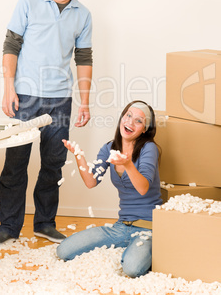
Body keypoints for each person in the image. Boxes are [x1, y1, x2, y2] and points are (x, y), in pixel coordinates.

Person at [0, 0, 93, 249]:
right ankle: (8, 227)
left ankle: (45, 224)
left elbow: (83, 58)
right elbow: (11, 45)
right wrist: (9, 88)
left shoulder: (83, 15)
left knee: (53, 164)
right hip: (26, 97)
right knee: (15, 163)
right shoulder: (29, 2)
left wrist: (84, 102)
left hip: (60, 99)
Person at [56, 100, 162, 278]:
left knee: (132, 269)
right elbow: (91, 181)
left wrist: (128, 164)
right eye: (128, 115)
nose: (130, 122)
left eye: (138, 120)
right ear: (122, 117)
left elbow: (143, 187)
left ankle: (150, 248)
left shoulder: (148, 149)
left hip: (149, 228)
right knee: (63, 251)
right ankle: (128, 245)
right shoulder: (109, 148)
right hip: (121, 227)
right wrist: (79, 155)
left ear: (144, 129)